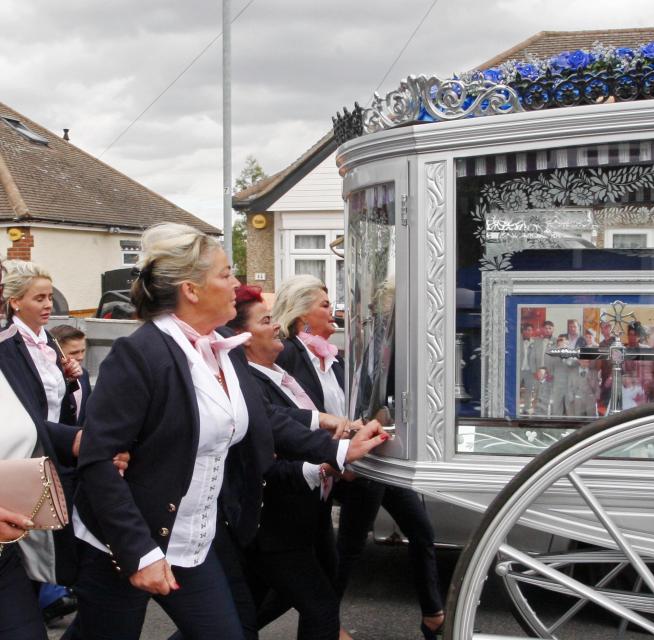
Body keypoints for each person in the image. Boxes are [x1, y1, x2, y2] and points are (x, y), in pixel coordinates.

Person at [69, 223, 388, 640]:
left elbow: (265, 420)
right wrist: (138, 553)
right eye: (225, 274)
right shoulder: (141, 354)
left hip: (196, 542)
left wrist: (338, 450)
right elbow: (98, 461)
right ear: (191, 290)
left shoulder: (219, 346)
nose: (237, 285)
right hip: (125, 543)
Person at [272, 275, 446, 640]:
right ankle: (328, 625)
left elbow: (354, 411)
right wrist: (339, 457)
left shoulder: (333, 360)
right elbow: (287, 418)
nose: (333, 310)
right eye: (324, 304)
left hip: (360, 462)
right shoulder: (289, 353)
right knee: (346, 549)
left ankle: (433, 613)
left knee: (421, 529)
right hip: (329, 468)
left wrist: (370, 426)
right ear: (302, 315)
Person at [226, 284, 346, 640]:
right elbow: (269, 443)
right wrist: (326, 461)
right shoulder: (251, 382)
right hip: (275, 523)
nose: (276, 324)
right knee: (320, 606)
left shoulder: (279, 374)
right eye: (266, 320)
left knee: (249, 612)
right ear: (243, 338)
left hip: (305, 515)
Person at [0, 258, 92, 639]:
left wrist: (76, 440)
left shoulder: (39, 343)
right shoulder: (8, 348)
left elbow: (29, 419)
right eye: (37, 297)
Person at [0, 260, 83, 426]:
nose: (49, 305)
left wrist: (68, 379)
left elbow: (56, 402)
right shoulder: (5, 345)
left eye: (50, 298)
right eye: (40, 299)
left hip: (55, 442)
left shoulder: (50, 341)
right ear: (16, 302)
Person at [49, 324, 92, 426]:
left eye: (83, 351)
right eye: (74, 353)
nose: (80, 357)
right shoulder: (47, 379)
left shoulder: (84, 374)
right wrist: (66, 381)